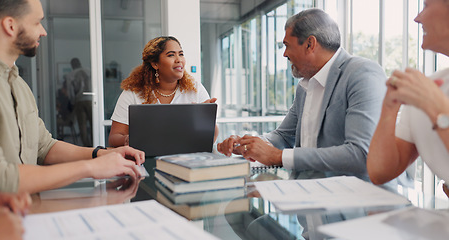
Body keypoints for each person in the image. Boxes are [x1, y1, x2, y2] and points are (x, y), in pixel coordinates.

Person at [0, 0, 145, 194]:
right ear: (10, 25)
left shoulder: (20, 86)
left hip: (27, 213)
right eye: (37, 22)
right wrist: (90, 168)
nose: (43, 31)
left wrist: (103, 154)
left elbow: (45, 147)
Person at [217, 8, 387, 180]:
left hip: (352, 197)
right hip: (307, 189)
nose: (284, 54)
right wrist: (248, 144)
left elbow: (361, 153)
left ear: (309, 44)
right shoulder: (305, 86)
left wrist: (278, 157)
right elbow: (283, 136)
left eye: (287, 45)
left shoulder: (362, 73)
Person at [367, 0, 449, 196]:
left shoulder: (428, 93)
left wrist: (436, 108)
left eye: (426, 6)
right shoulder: (429, 86)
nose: (417, 18)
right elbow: (380, 172)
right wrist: (389, 108)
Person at [109, 36, 218, 147]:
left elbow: (211, 137)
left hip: (186, 159)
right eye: (171, 55)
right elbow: (114, 137)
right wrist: (129, 140)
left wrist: (206, 117)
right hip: (143, 160)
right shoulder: (133, 92)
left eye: (181, 54)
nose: (179, 59)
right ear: (155, 64)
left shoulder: (195, 89)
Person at [65, 58, 92, 146]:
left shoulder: (70, 75)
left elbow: (70, 91)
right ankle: (96, 145)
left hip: (79, 101)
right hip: (91, 99)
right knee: (94, 124)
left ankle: (87, 148)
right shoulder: (89, 71)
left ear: (72, 65)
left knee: (82, 126)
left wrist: (73, 102)